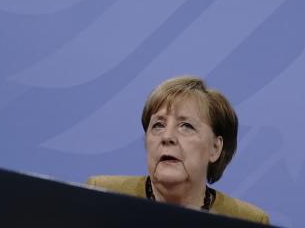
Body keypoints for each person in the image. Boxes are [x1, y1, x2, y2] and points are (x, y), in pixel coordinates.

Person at [87, 76, 269, 224]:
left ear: (215, 148)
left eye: (186, 126)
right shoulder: (102, 195)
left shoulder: (249, 221)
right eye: (158, 125)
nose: (167, 137)